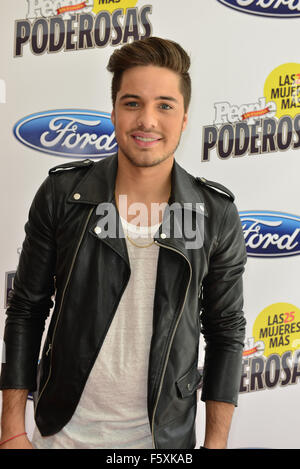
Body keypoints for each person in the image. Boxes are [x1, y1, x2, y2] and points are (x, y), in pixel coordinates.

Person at [0, 37, 246, 450]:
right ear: (113, 112)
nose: (147, 120)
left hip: (162, 442)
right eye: (132, 103)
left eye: (164, 105)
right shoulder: (64, 194)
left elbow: (226, 331)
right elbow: (26, 308)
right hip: (57, 435)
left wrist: (216, 444)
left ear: (185, 118)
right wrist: (11, 429)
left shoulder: (214, 214)